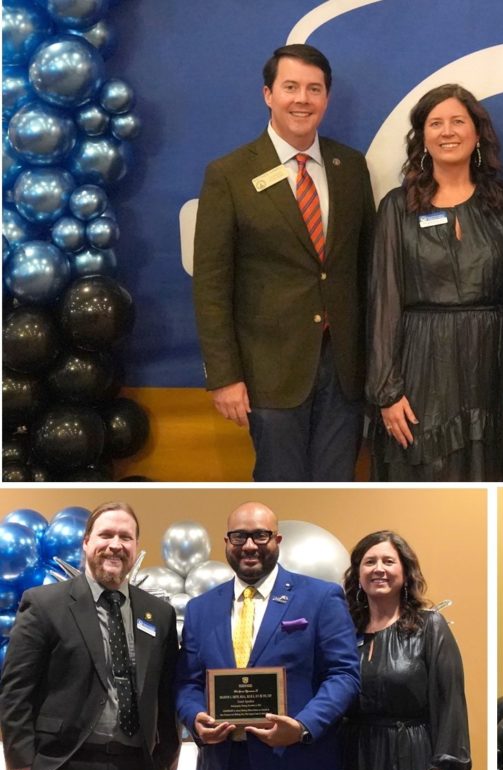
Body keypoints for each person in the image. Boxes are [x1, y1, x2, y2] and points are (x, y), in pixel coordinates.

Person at [192, 44, 375, 481]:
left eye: (314, 89)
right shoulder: (229, 174)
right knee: (282, 494)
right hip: (269, 373)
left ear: (327, 99)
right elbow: (211, 285)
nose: (302, 99)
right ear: (268, 94)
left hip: (346, 370)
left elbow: (368, 268)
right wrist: (224, 376)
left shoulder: (349, 166)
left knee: (337, 489)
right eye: (290, 87)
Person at [366, 84, 503, 481]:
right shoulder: (397, 207)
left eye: (457, 121)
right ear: (422, 137)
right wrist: (386, 390)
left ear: (477, 132)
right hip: (422, 374)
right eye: (436, 123)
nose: (447, 131)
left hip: (499, 370)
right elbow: (384, 299)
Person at [175, 502, 360, 770]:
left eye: (260, 535)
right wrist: (195, 717)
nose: (249, 545)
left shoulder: (320, 598)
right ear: (227, 542)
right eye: (239, 536)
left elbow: (344, 675)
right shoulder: (201, 609)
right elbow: (188, 682)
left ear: (277, 539)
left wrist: (304, 726)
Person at [0, 502, 180, 770]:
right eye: (106, 534)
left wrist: (164, 763)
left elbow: (166, 691)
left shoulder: (159, 613)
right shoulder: (44, 604)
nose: (115, 544)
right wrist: (24, 764)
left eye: (126, 537)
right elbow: (15, 690)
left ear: (137, 547)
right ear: (86, 542)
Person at [337, 530, 472, 770]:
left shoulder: (429, 626)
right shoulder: (343, 633)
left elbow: (451, 704)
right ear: (358, 574)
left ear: (405, 573)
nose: (379, 569)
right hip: (360, 764)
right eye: (369, 562)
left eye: (388, 561)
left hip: (415, 762)